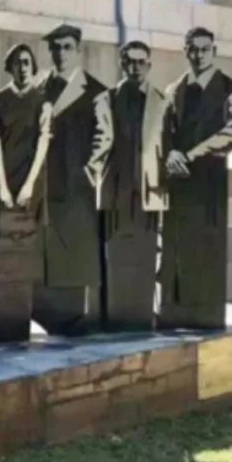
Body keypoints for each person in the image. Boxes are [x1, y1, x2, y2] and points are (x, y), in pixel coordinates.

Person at [160, 27, 232, 329]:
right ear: (185, 51)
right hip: (178, 188)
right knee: (177, 254)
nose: (199, 55)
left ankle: (206, 319)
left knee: (207, 252)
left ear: (214, 51)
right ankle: (174, 316)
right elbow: (162, 133)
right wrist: (170, 154)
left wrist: (190, 154)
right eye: (193, 49)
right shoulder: (173, 91)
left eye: (204, 49)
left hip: (210, 187)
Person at [0, 43, 51, 343]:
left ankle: (18, 321)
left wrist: (29, 185)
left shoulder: (42, 102)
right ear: (10, 67)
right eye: (18, 62)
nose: (23, 67)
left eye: (27, 62)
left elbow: (43, 144)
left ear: (33, 66)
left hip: (31, 183)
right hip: (3, 180)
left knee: (24, 248)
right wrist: (2, 186)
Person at [34, 24, 112, 336]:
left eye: (67, 47)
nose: (61, 53)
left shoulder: (95, 91)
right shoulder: (39, 86)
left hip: (76, 184)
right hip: (43, 182)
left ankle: (71, 317)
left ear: (77, 50)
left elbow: (105, 136)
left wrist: (88, 170)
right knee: (46, 244)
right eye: (55, 47)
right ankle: (43, 313)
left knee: (73, 246)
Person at [88, 41, 169, 331]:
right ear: (122, 64)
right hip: (116, 193)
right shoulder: (106, 100)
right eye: (130, 61)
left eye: (141, 62)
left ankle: (142, 319)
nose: (136, 67)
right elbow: (99, 143)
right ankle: (114, 321)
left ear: (149, 65)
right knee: (115, 259)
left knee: (145, 259)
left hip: (148, 195)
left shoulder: (162, 102)